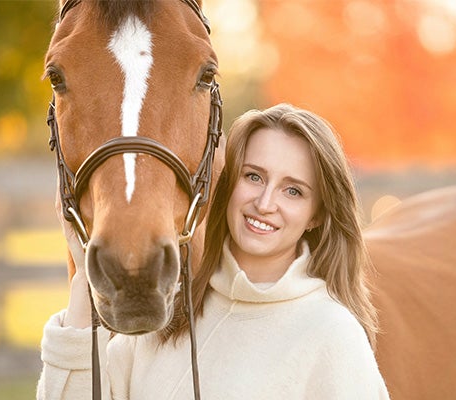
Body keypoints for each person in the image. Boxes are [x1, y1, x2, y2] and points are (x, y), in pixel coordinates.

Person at [37, 103, 390, 399]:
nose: (265, 203)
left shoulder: (332, 334)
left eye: (293, 191)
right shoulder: (169, 311)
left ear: (316, 215)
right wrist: (85, 273)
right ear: (226, 180)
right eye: (253, 177)